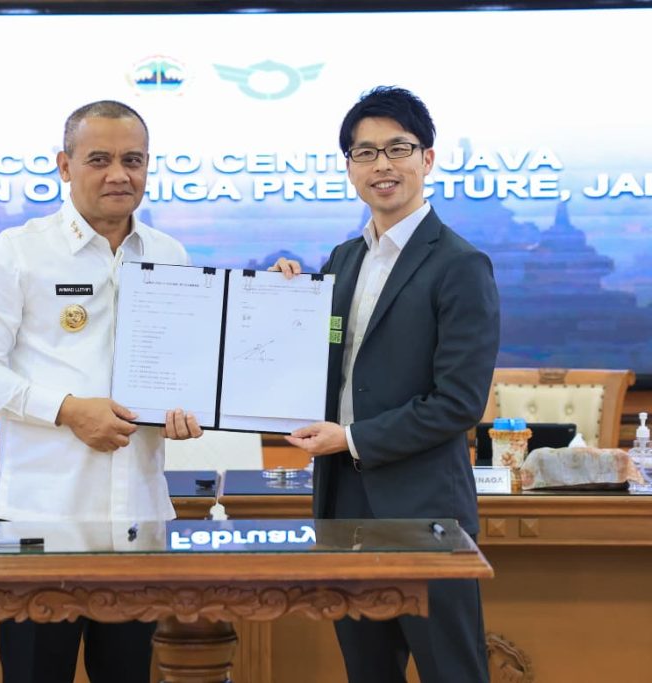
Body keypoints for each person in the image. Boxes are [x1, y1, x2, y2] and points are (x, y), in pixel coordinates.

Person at [0, 100, 202, 683]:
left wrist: (190, 409)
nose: (119, 174)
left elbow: (181, 369)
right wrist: (66, 410)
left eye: (133, 160)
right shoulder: (19, 250)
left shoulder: (169, 255)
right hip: (43, 521)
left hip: (138, 519)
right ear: (64, 166)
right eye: (99, 159)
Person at [275, 86, 499, 682]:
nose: (382, 165)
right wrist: (277, 301)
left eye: (397, 149)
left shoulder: (459, 264)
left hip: (424, 510)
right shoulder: (342, 259)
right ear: (349, 166)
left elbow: (459, 402)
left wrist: (351, 439)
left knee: (452, 671)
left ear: (427, 158)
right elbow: (317, 363)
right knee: (368, 672)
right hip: (343, 504)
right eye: (365, 152)